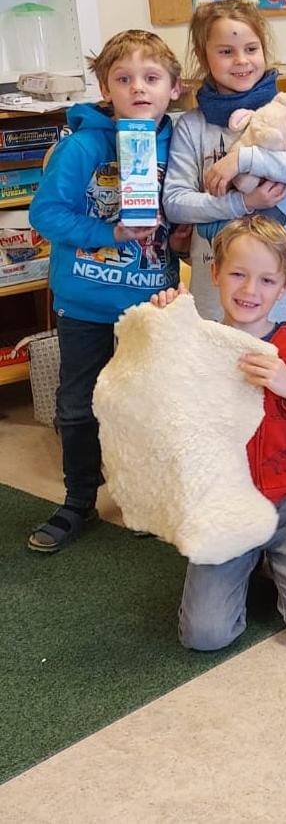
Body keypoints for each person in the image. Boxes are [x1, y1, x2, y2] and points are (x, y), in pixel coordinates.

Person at [152, 218, 286, 651]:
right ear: (215, 272)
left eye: (267, 280)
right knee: (205, 636)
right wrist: (164, 337)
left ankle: (277, 558)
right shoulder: (196, 346)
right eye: (238, 273)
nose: (250, 290)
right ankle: (252, 561)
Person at [26, 31, 184, 552]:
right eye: (124, 78)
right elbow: (46, 214)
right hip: (85, 301)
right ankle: (78, 500)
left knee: (148, 403)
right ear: (105, 88)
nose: (138, 88)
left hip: (152, 301)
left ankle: (145, 495)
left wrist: (182, 232)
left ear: (173, 88)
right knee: (77, 405)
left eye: (151, 78)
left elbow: (187, 211)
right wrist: (109, 232)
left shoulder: (180, 144)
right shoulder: (83, 146)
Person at [163, 0, 286, 335]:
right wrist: (243, 203)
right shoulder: (192, 127)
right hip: (219, 294)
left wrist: (244, 159)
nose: (241, 60)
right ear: (203, 55)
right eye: (226, 52)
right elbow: (176, 202)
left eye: (251, 49)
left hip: (284, 293)